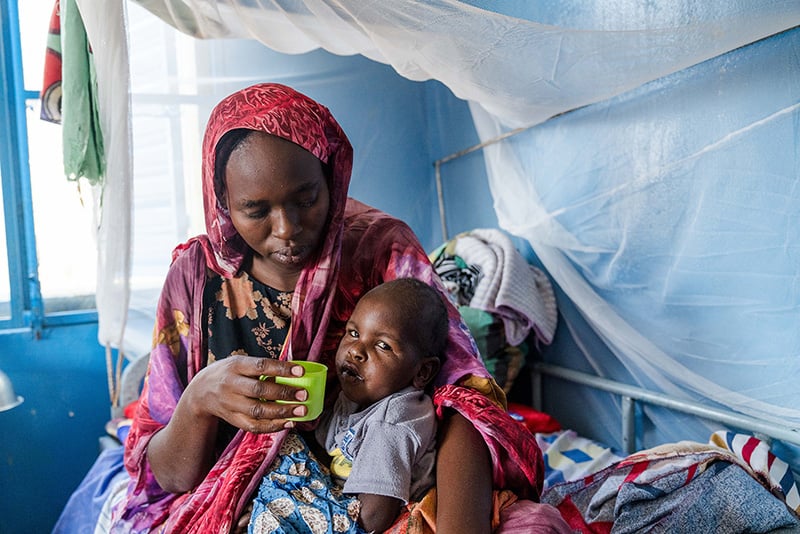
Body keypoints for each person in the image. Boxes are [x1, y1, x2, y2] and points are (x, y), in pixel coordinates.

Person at [106, 82, 571, 534]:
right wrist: (201, 398)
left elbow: (464, 402)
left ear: (332, 178)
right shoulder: (195, 279)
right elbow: (169, 476)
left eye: (306, 199)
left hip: (377, 499)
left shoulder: (378, 250)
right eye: (255, 210)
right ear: (223, 202)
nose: (286, 228)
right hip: (240, 503)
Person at [249, 277, 447, 533]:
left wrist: (290, 514)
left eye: (383, 345)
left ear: (423, 372)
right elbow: (322, 453)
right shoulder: (357, 394)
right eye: (353, 333)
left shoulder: (392, 420)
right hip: (341, 497)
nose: (356, 351)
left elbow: (373, 518)